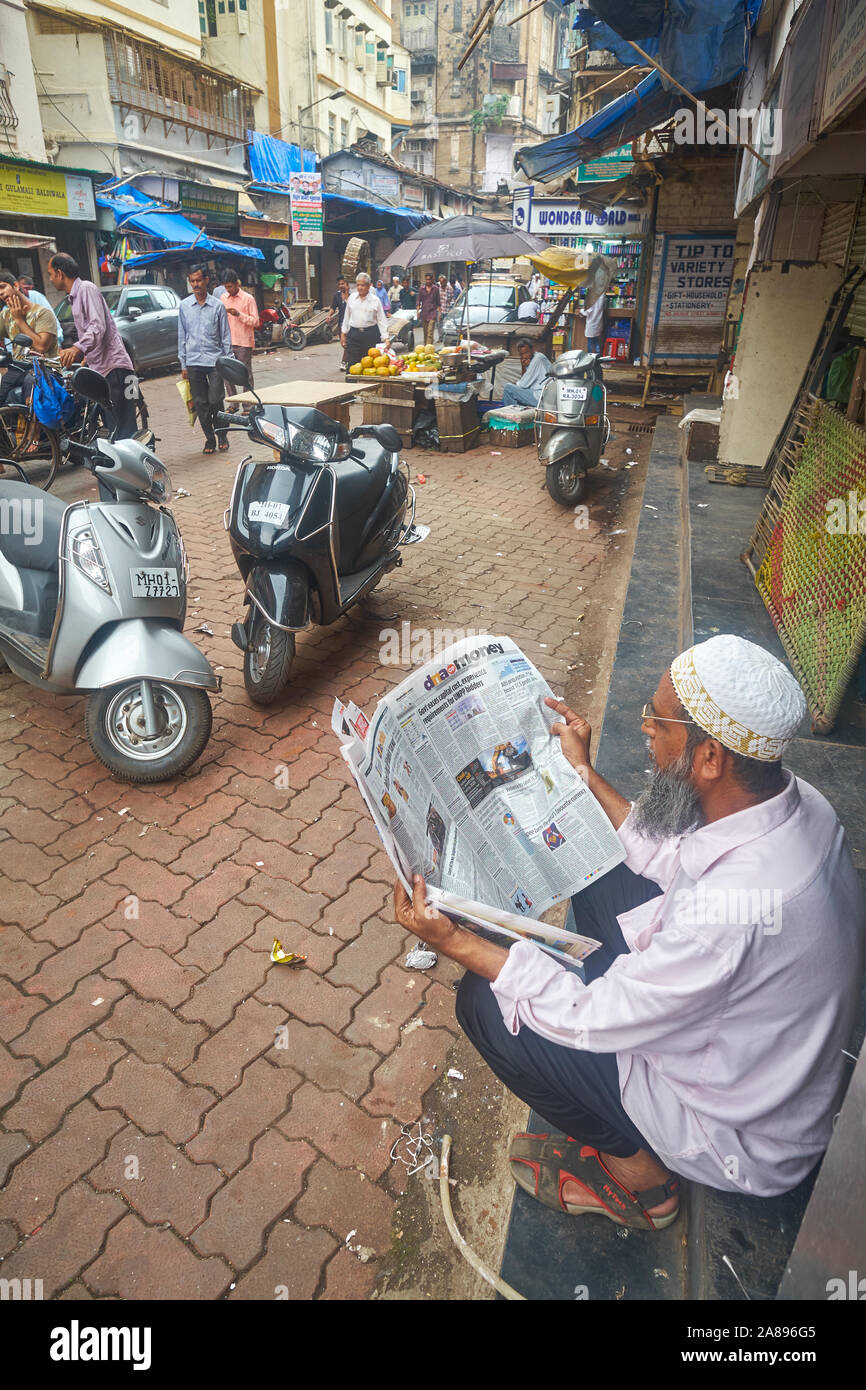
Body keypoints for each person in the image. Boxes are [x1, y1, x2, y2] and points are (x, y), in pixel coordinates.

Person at [395, 635, 865, 1228]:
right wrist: (585, 775)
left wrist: (456, 942)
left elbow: (588, 1016)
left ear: (710, 758)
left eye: (657, 719)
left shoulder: (730, 916)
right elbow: (671, 856)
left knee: (487, 1003)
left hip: (735, 1134)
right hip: (757, 1053)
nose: (645, 728)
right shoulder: (797, 804)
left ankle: (641, 1180)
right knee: (598, 862)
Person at [48, 252, 139, 440]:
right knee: (112, 426)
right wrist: (86, 359)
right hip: (101, 369)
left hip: (114, 367)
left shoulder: (86, 289)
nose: (50, 279)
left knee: (123, 429)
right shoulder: (73, 297)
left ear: (59, 273)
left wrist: (77, 348)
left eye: (50, 274)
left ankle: (138, 466)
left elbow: (98, 326)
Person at [177, 265, 232, 454]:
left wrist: (229, 362)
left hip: (215, 361)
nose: (196, 285)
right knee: (200, 404)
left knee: (216, 399)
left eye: (199, 280)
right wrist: (183, 364)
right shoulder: (184, 306)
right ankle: (209, 439)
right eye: (192, 281)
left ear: (206, 280)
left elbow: (225, 336)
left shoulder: (217, 306)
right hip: (193, 362)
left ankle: (222, 434)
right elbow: (182, 337)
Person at [0, 273, 58, 408]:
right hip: (19, 367)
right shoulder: (6, 315)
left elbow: (41, 346)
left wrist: (19, 320)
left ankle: (35, 428)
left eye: (2, 287)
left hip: (45, 368)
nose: (1, 293)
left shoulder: (42, 313)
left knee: (31, 386)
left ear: (16, 285)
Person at [217, 268, 257, 410]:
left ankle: (247, 405)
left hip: (244, 342)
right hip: (227, 342)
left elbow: (255, 321)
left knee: (245, 374)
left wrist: (239, 314)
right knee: (226, 373)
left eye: (230, 286)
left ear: (237, 284)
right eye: (226, 287)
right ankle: (234, 403)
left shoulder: (248, 299)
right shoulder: (223, 298)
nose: (228, 290)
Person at [340, 272, 389, 370]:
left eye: (362, 285)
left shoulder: (375, 300)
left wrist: (386, 338)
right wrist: (343, 333)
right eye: (358, 285)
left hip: (370, 335)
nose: (360, 288)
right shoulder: (352, 298)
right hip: (354, 335)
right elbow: (347, 317)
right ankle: (351, 385)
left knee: (370, 365)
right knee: (353, 364)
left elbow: (381, 320)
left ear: (368, 285)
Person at [4, 272, 61, 344]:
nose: (27, 292)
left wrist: (57, 344)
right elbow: (10, 338)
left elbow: (54, 324)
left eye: (29, 289)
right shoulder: (6, 308)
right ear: (16, 286)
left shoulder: (36, 296)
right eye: (25, 288)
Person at [501, 338, 551, 407]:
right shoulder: (532, 359)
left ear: (532, 349)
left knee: (508, 388)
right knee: (513, 390)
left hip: (541, 397)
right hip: (539, 394)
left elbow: (523, 384)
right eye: (522, 354)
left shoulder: (538, 358)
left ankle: (509, 415)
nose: (524, 356)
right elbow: (524, 380)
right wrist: (523, 366)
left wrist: (516, 384)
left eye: (526, 352)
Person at [417, 272, 440, 346]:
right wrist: (417, 311)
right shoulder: (421, 289)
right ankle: (426, 347)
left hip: (432, 313)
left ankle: (428, 348)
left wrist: (439, 313)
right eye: (426, 279)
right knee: (426, 332)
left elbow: (438, 302)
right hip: (424, 313)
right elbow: (418, 301)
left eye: (429, 279)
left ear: (432, 279)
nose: (428, 281)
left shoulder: (436, 289)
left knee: (430, 331)